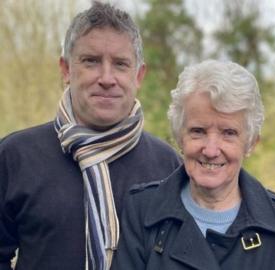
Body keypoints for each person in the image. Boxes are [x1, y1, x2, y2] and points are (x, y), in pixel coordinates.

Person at [0, 2, 181, 270]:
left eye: (120, 64)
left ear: (139, 75)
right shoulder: (16, 156)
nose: (107, 78)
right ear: (65, 69)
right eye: (91, 61)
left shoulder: (168, 167)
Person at [111, 60, 275, 270]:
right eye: (198, 131)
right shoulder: (142, 210)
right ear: (179, 137)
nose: (211, 151)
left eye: (228, 133)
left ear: (250, 143)